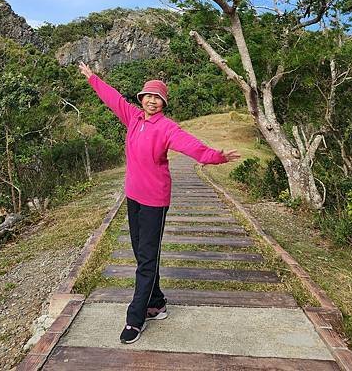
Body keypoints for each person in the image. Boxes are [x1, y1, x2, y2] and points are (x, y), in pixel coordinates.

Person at [78, 62, 240, 344]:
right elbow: (113, 98)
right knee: (141, 254)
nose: (152, 101)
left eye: (157, 98)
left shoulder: (167, 128)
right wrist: (93, 78)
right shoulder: (132, 118)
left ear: (163, 102)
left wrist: (217, 156)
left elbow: (192, 146)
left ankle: (135, 318)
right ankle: (157, 303)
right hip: (133, 196)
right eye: (148, 96)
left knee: (147, 258)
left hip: (154, 200)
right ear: (141, 99)